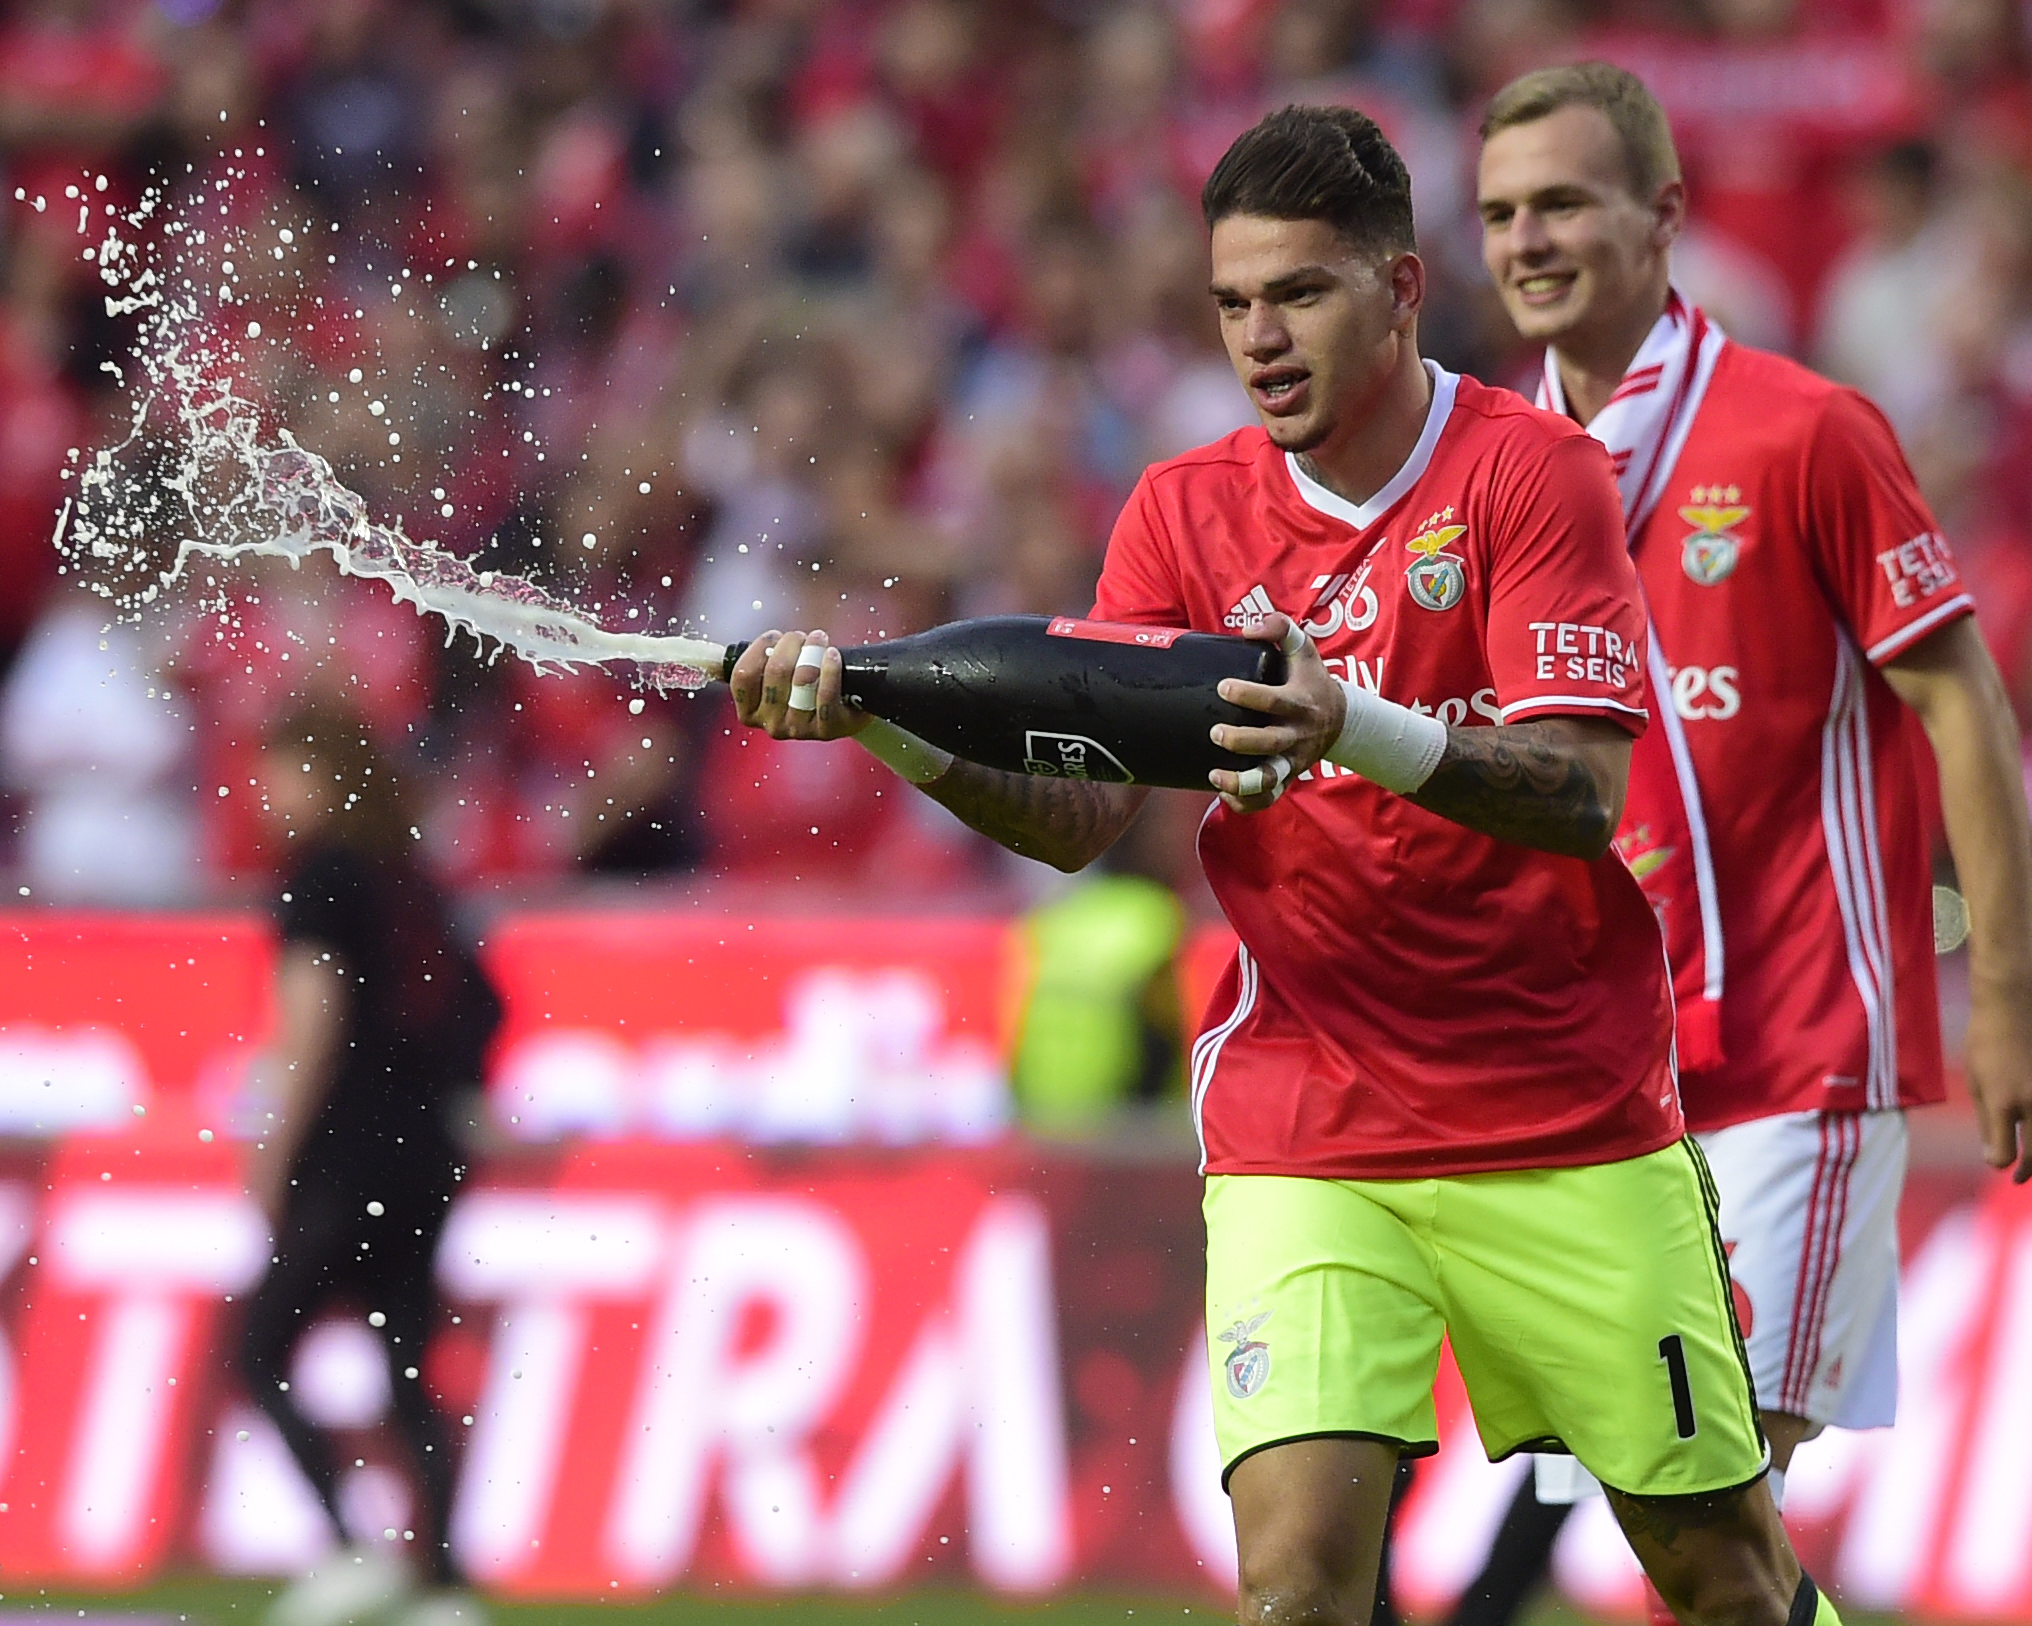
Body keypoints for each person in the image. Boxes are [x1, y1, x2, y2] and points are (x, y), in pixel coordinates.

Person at [732, 104, 1846, 1626]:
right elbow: (1078, 815)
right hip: (1305, 1123)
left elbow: (1582, 793)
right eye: (1231, 303)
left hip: (1562, 1117)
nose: (1259, 337)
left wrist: (1349, 719)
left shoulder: (1533, 478)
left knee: (1719, 1578)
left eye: (1299, 293)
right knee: (1295, 1590)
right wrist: (884, 726)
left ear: (1397, 286)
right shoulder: (1181, 513)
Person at [1443, 60, 2032, 1618]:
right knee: (1685, 1534)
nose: (1527, 240)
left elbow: (1960, 704)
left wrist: (2002, 993)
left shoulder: (1804, 431)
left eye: (1563, 203)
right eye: (1499, 213)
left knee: (1719, 1506)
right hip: (1602, 1071)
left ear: (1661, 214)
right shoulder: (1478, 478)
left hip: (1806, 1044)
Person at [238, 702, 499, 1626]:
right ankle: (443, 1587)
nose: (263, 797)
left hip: (348, 1153)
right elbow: (484, 1003)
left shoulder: (320, 878)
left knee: (260, 1347)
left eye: (276, 774)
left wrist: (273, 1149)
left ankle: (350, 1551)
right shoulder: (412, 880)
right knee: (404, 1365)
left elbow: (311, 1020)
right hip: (426, 1155)